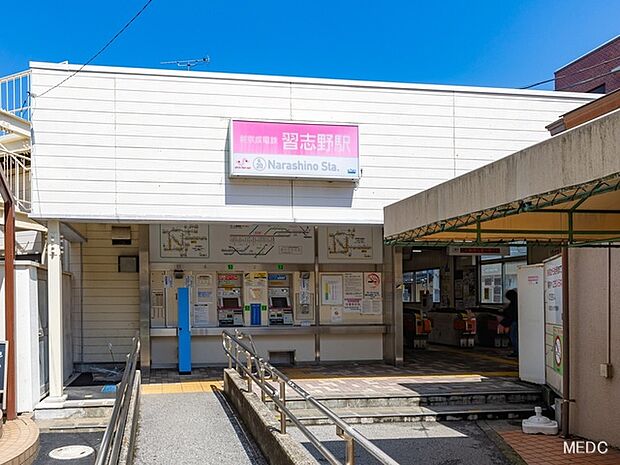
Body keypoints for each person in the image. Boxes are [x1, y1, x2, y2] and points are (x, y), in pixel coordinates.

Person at [500, 289, 518, 357]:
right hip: (516, 321)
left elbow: (510, 314)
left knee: (513, 337)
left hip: (514, 322)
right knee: (514, 336)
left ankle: (516, 351)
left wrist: (503, 323)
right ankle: (517, 350)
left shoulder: (513, 304)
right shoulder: (517, 301)